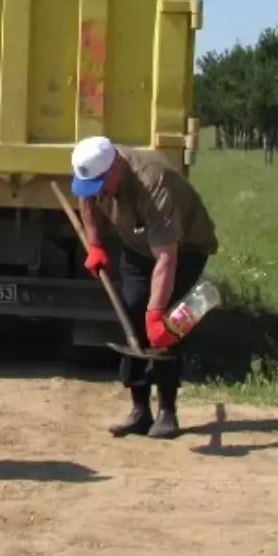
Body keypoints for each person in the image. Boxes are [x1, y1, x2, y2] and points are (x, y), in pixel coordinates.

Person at [69, 135, 219, 439]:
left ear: (115, 169)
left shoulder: (153, 183)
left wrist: (157, 312)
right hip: (138, 245)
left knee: (166, 327)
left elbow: (167, 257)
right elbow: (86, 202)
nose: (98, 194)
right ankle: (139, 410)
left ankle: (167, 411)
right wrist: (95, 244)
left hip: (184, 247)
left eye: (101, 186)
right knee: (131, 316)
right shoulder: (95, 170)